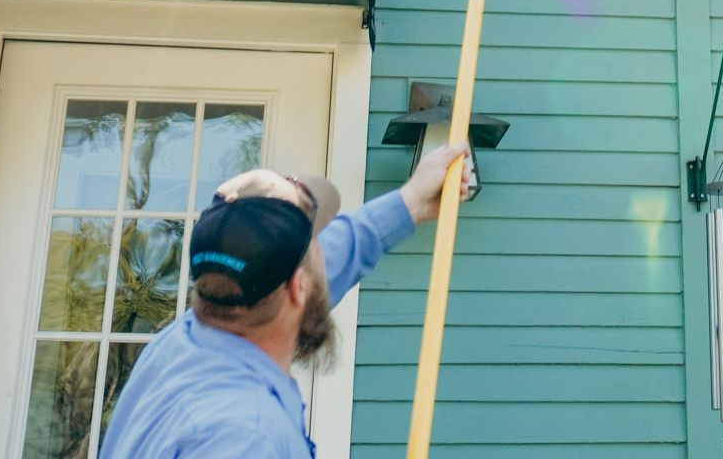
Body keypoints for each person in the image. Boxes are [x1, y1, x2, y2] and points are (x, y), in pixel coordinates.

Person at [101, 140, 469, 458]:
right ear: (299, 287)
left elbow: (337, 253)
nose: (325, 253)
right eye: (316, 246)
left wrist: (413, 201)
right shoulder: (246, 437)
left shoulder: (181, 343)